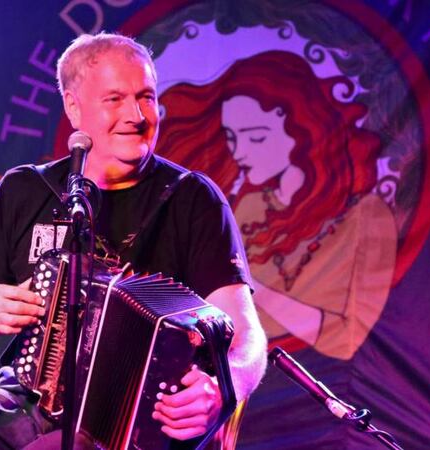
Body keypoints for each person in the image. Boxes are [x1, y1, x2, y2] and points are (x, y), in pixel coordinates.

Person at [0, 33, 267, 449]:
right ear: (73, 107)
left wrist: (221, 389)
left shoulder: (191, 198)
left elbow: (248, 339)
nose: (137, 115)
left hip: (136, 415)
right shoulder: (25, 191)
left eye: (146, 97)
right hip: (26, 401)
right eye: (115, 99)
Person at [157, 50, 397, 360]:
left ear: (303, 130)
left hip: (315, 383)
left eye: (256, 138)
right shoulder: (250, 205)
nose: (239, 153)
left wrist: (246, 288)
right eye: (231, 137)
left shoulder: (367, 216)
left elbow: (345, 339)